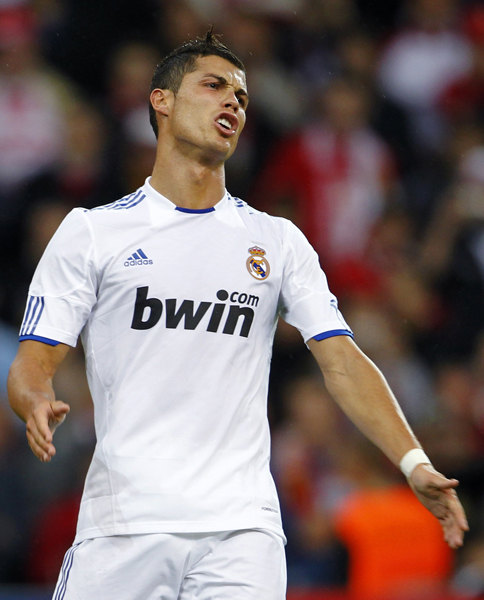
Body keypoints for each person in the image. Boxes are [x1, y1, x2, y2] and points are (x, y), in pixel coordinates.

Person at [8, 31, 468, 600]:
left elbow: (343, 361)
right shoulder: (93, 232)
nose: (232, 101)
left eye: (242, 96)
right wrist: (33, 400)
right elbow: (35, 358)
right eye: (213, 85)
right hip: (125, 522)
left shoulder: (277, 241)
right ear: (162, 100)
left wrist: (412, 460)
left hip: (242, 530)